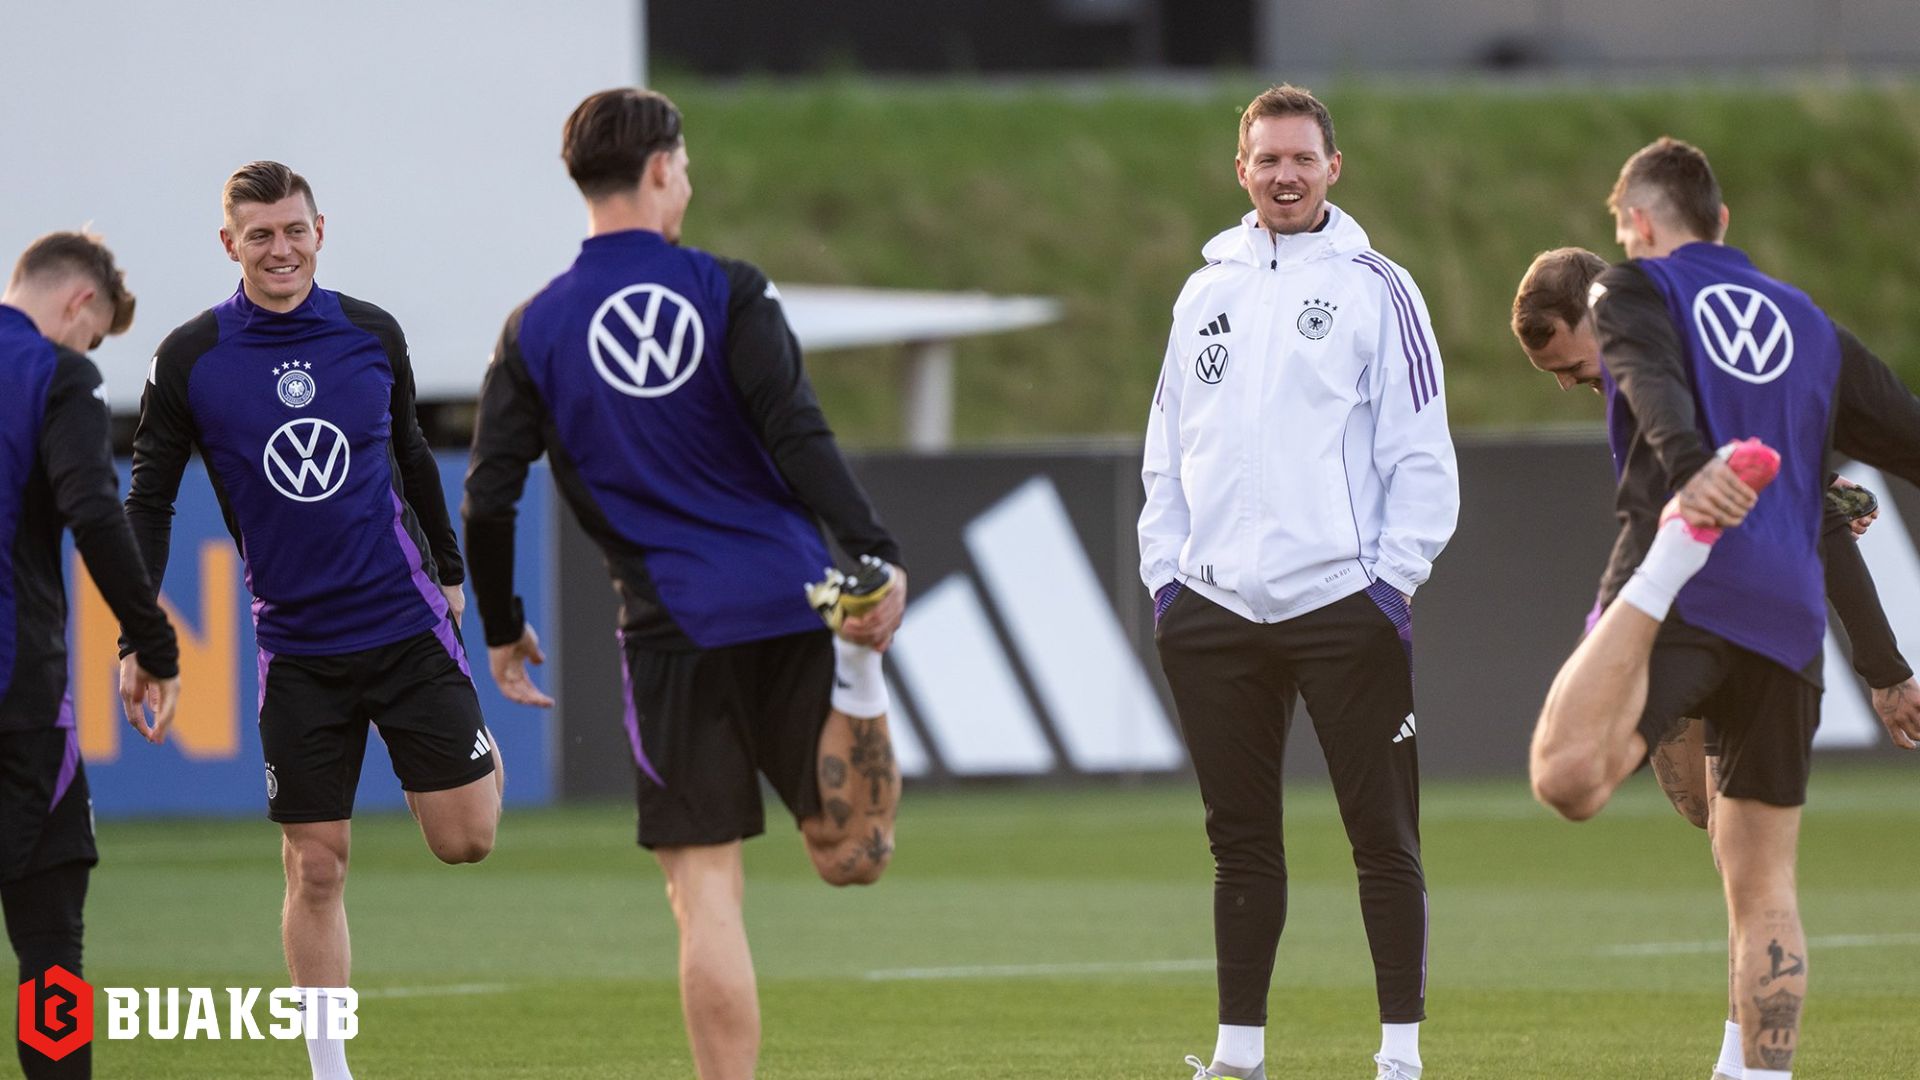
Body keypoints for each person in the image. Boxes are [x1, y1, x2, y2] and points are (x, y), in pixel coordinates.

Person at [462, 87, 908, 1080]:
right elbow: (796, 431)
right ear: (661, 167)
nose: (689, 186)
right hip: (792, 599)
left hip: (672, 631)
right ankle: (860, 664)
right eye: (688, 169)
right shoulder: (729, 289)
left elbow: (489, 499)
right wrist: (871, 553)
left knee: (704, 897)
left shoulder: (534, 327)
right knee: (853, 858)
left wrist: (501, 622)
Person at [1526, 138, 1920, 1080]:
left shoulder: (1627, 289)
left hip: (1686, 588)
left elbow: (1653, 386)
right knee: (1760, 880)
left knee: (1567, 777)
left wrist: (1692, 473)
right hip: (1786, 620)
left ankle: (1669, 557)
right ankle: (1750, 1071)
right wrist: (1882, 664)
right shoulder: (1809, 323)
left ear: (1637, 224)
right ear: (1724, 220)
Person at [123, 162, 500, 1080]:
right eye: (260, 235)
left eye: (294, 230)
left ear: (320, 231)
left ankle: (449, 753)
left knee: (466, 841)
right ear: (230, 244)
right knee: (317, 864)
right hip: (296, 649)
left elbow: (411, 452)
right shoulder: (191, 358)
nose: (280, 249)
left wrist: (451, 573)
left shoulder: (371, 334)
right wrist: (138, 633)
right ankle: (329, 1068)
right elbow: (149, 500)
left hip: (407, 626)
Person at [1140, 84, 1459, 1080]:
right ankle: (1239, 1057)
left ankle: (1399, 1057)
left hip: (1340, 606)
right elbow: (1165, 449)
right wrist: (1167, 581)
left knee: (1382, 836)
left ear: (1333, 169)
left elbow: (1421, 453)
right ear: (1241, 169)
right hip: (1214, 608)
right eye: (1268, 159)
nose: (1285, 175)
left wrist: (1390, 582)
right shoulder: (1205, 291)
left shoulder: (1377, 287)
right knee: (1239, 843)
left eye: (1302, 159)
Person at [1, 232, 180, 1080]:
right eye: (95, 334)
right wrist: (155, 641)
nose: (88, 349)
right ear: (79, 303)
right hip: (18, 703)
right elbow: (95, 511)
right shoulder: (55, 375)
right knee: (50, 948)